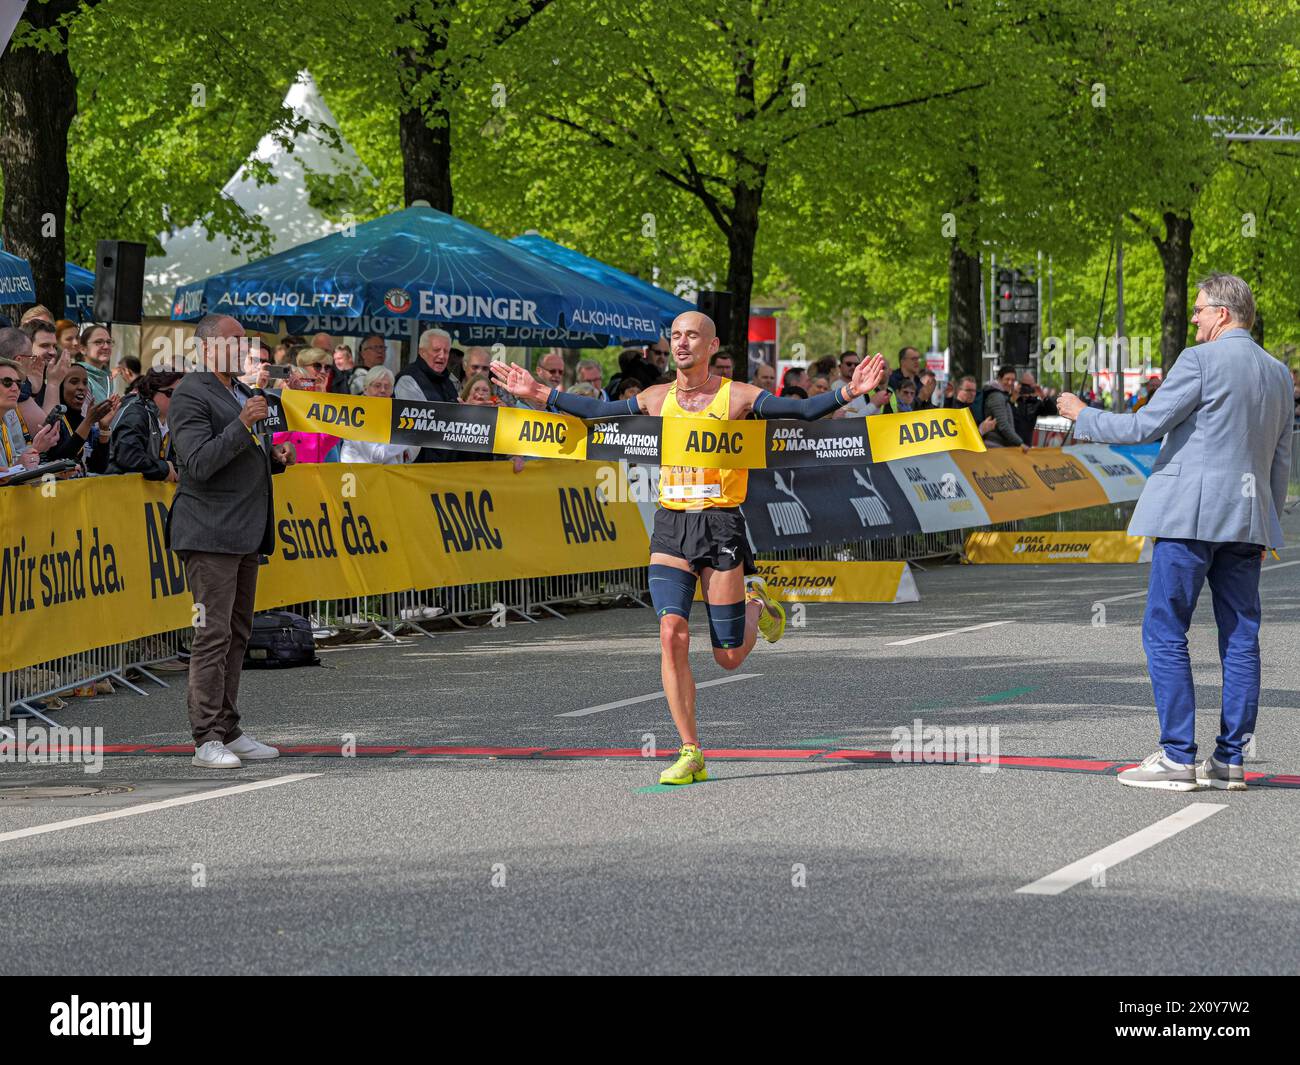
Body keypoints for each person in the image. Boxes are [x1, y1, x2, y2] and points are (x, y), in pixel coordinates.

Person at [492, 311, 888, 785]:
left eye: (691, 336)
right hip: (671, 524)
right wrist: (540, 394)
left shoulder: (735, 395)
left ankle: (758, 606)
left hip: (721, 525)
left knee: (727, 656)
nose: (681, 344)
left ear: (712, 344)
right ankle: (690, 749)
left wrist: (848, 391)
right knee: (671, 632)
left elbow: (797, 411)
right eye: (675, 336)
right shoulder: (658, 398)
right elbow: (600, 415)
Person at [1057, 273, 1291, 792]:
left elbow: (1145, 426)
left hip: (1189, 517)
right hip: (1247, 521)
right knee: (1241, 637)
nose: (1195, 317)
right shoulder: (1278, 373)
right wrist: (1270, 523)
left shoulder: (1199, 360)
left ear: (1224, 314)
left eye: (1201, 309)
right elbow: (1280, 458)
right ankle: (1230, 759)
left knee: (1165, 629)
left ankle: (1177, 756)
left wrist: (1083, 414)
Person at [166, 313, 295, 769]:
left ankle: (228, 727)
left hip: (243, 530)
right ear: (206, 347)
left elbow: (244, 453)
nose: (245, 348)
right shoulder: (189, 393)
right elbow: (198, 463)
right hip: (208, 531)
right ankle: (205, 738)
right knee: (212, 633)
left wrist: (274, 456)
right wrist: (242, 425)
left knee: (237, 633)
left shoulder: (239, 390)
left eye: (245, 341)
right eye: (235, 341)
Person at [394, 328, 459, 461]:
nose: (442, 355)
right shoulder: (408, 379)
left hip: (447, 464)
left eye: (446, 351)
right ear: (422, 352)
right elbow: (420, 423)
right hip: (421, 466)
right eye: (436, 350)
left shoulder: (448, 380)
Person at [106, 368, 182, 481]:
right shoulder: (136, 414)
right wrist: (164, 469)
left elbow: (172, 460)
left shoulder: (170, 419)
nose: (177, 398)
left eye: (180, 392)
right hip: (115, 489)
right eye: (170, 393)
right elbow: (128, 457)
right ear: (151, 391)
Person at [46, 363, 116, 471]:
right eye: (74, 382)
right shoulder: (54, 421)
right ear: (61, 386)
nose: (81, 387)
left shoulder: (87, 423)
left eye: (85, 383)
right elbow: (61, 461)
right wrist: (88, 422)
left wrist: (104, 429)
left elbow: (99, 467)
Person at [340, 367, 417, 464]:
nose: (382, 390)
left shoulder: (393, 414)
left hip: (389, 477)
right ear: (365, 388)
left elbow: (404, 456)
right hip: (358, 476)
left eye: (387, 386)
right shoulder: (355, 414)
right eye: (377, 386)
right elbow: (376, 455)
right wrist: (406, 437)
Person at [980, 365, 1029, 451]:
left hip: (999, 444)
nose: (1010, 383)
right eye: (1007, 379)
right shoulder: (996, 396)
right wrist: (1020, 443)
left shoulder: (1001, 395)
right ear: (999, 378)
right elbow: (1003, 424)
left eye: (1013, 380)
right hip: (995, 445)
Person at [77, 324, 113, 404]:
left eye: (109, 342)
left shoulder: (106, 376)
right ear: (83, 349)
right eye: (98, 342)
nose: (106, 346)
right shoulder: (79, 376)